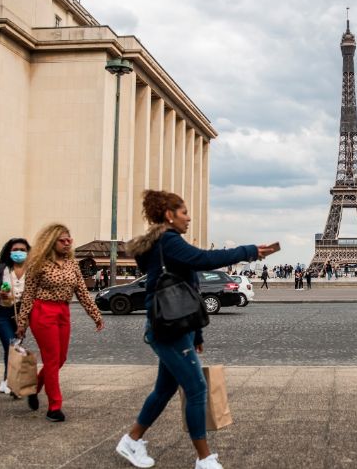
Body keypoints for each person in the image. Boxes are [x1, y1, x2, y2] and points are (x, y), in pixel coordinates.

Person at [118, 190, 276, 469]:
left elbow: (190, 288)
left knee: (164, 389)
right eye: (184, 212)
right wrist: (250, 251)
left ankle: (132, 439)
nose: (189, 218)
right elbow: (205, 259)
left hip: (176, 325)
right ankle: (204, 458)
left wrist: (198, 333)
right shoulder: (168, 241)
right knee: (196, 389)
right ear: (169, 215)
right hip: (168, 329)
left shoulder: (167, 244)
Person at [15, 224, 105, 423]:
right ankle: (54, 407)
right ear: (51, 242)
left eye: (69, 240)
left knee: (60, 359)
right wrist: (22, 322)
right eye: (62, 241)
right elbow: (28, 295)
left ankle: (34, 388)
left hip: (63, 311)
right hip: (42, 311)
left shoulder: (73, 263)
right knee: (52, 359)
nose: (67, 244)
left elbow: (82, 291)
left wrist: (96, 315)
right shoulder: (39, 263)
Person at [0, 238, 31, 395]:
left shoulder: (33, 271)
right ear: (9, 252)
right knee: (12, 345)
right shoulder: (0, 270)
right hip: (2, 313)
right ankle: (12, 382)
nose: (19, 253)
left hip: (22, 315)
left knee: (12, 347)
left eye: (23, 250)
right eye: (15, 249)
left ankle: (6, 379)